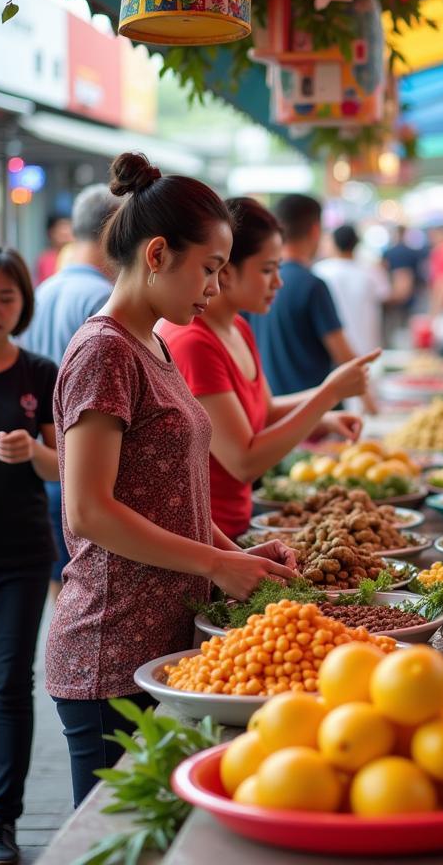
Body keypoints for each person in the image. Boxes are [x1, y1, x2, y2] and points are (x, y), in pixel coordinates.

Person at [45, 154, 298, 809]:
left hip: (160, 644)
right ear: (158, 253)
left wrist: (236, 556)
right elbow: (89, 512)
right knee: (118, 839)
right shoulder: (104, 351)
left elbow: (173, 489)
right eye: (209, 268)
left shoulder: (151, 343)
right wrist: (216, 560)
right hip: (111, 649)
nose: (214, 288)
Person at [162, 200, 377, 539]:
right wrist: (329, 393)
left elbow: (266, 411)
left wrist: (323, 419)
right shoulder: (193, 343)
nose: (278, 282)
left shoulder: (238, 328)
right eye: (267, 270)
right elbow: (244, 461)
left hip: (237, 525)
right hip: (206, 538)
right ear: (226, 271)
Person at [0, 249, 59, 865]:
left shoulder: (41, 372)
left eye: (6, 297)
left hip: (21, 556)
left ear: (23, 304)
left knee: (8, 685)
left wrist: (34, 453)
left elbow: (75, 463)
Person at [21, 184, 123, 598]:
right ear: (115, 233)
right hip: (83, 469)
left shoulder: (43, 291)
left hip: (42, 461)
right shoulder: (104, 299)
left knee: (58, 584)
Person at [249, 195, 375, 413]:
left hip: (274, 411)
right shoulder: (312, 285)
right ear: (316, 230)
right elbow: (343, 356)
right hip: (316, 415)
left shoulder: (255, 287)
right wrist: (373, 409)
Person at [313, 223, 389, 356]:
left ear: (334, 243)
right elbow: (386, 296)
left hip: (333, 350)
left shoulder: (320, 271)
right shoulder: (371, 271)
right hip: (368, 347)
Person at [381, 225, 424, 344]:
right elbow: (419, 275)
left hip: (392, 298)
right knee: (407, 330)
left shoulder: (388, 252)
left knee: (392, 329)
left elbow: (382, 270)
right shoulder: (412, 252)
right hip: (410, 297)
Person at [34, 214, 72, 286]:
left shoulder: (78, 257)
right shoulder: (45, 260)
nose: (66, 236)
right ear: (51, 233)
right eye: (62, 233)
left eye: (68, 230)